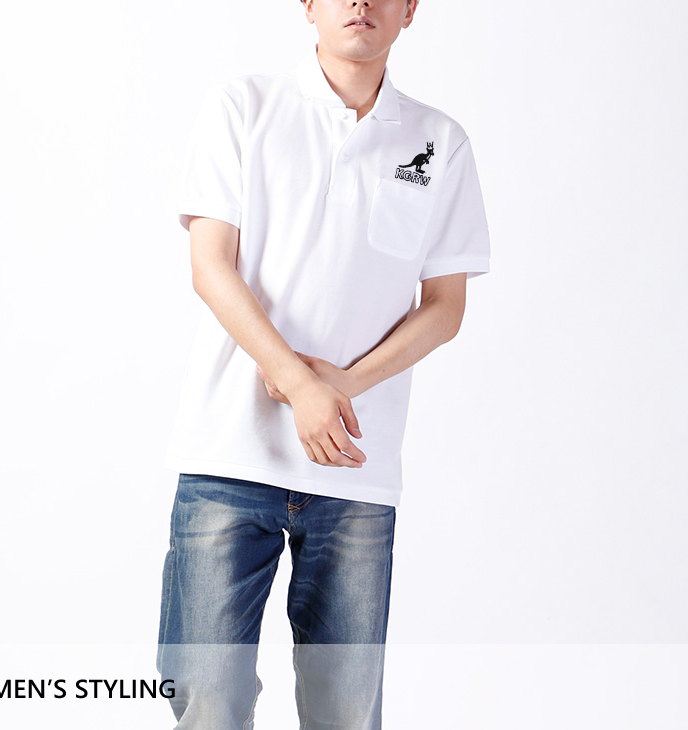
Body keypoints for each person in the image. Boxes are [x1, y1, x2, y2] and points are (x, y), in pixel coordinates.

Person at [157, 0, 490, 727]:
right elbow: (211, 267)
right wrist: (299, 382)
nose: (360, 3)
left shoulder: (440, 142)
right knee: (207, 701)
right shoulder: (244, 106)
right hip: (228, 455)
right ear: (308, 4)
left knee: (346, 712)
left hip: (355, 469)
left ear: (410, 9)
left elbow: (444, 306)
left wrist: (339, 386)